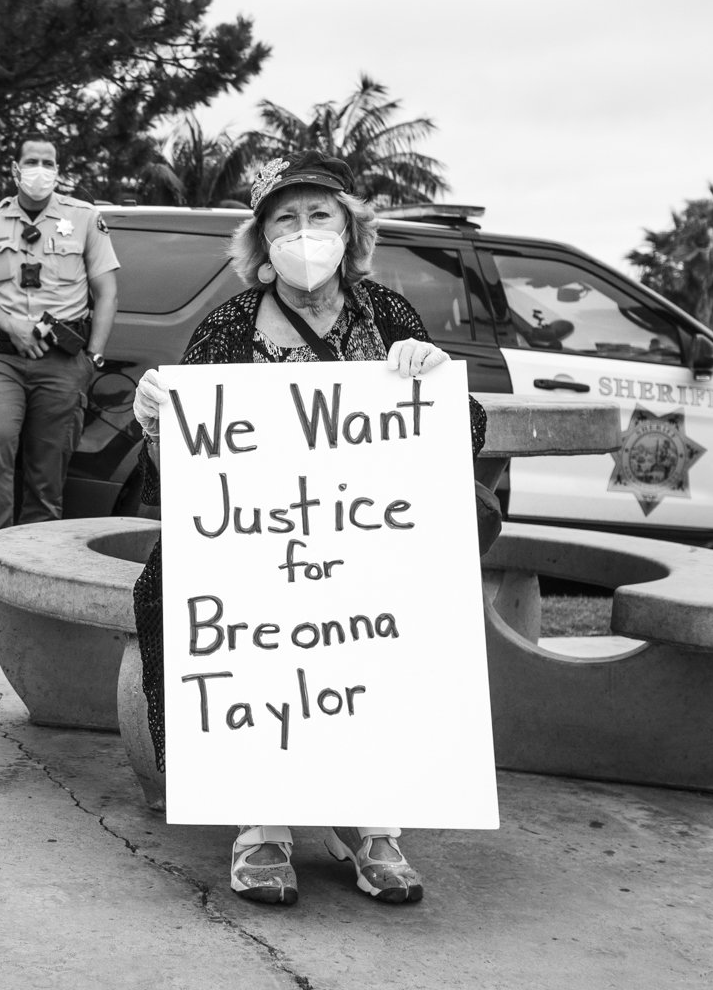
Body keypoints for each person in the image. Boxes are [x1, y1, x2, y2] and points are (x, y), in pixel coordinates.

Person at [129, 151, 494, 908]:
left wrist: (429, 375)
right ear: (261, 241)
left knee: (396, 628)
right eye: (284, 219)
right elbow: (184, 475)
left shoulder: (388, 317)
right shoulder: (226, 327)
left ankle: (373, 823)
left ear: (350, 229)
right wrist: (159, 423)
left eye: (319, 215)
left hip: (367, 544)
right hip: (257, 549)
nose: (304, 232)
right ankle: (261, 823)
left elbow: (454, 435)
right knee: (178, 594)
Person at [0, 136, 119, 582]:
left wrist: (93, 357)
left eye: (49, 162)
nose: (40, 169)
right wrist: (13, 326)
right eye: (32, 161)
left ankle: (33, 572)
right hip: (1, 358)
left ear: (58, 170)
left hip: (62, 361)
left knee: (47, 469)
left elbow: (107, 292)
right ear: (15, 169)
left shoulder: (84, 218)